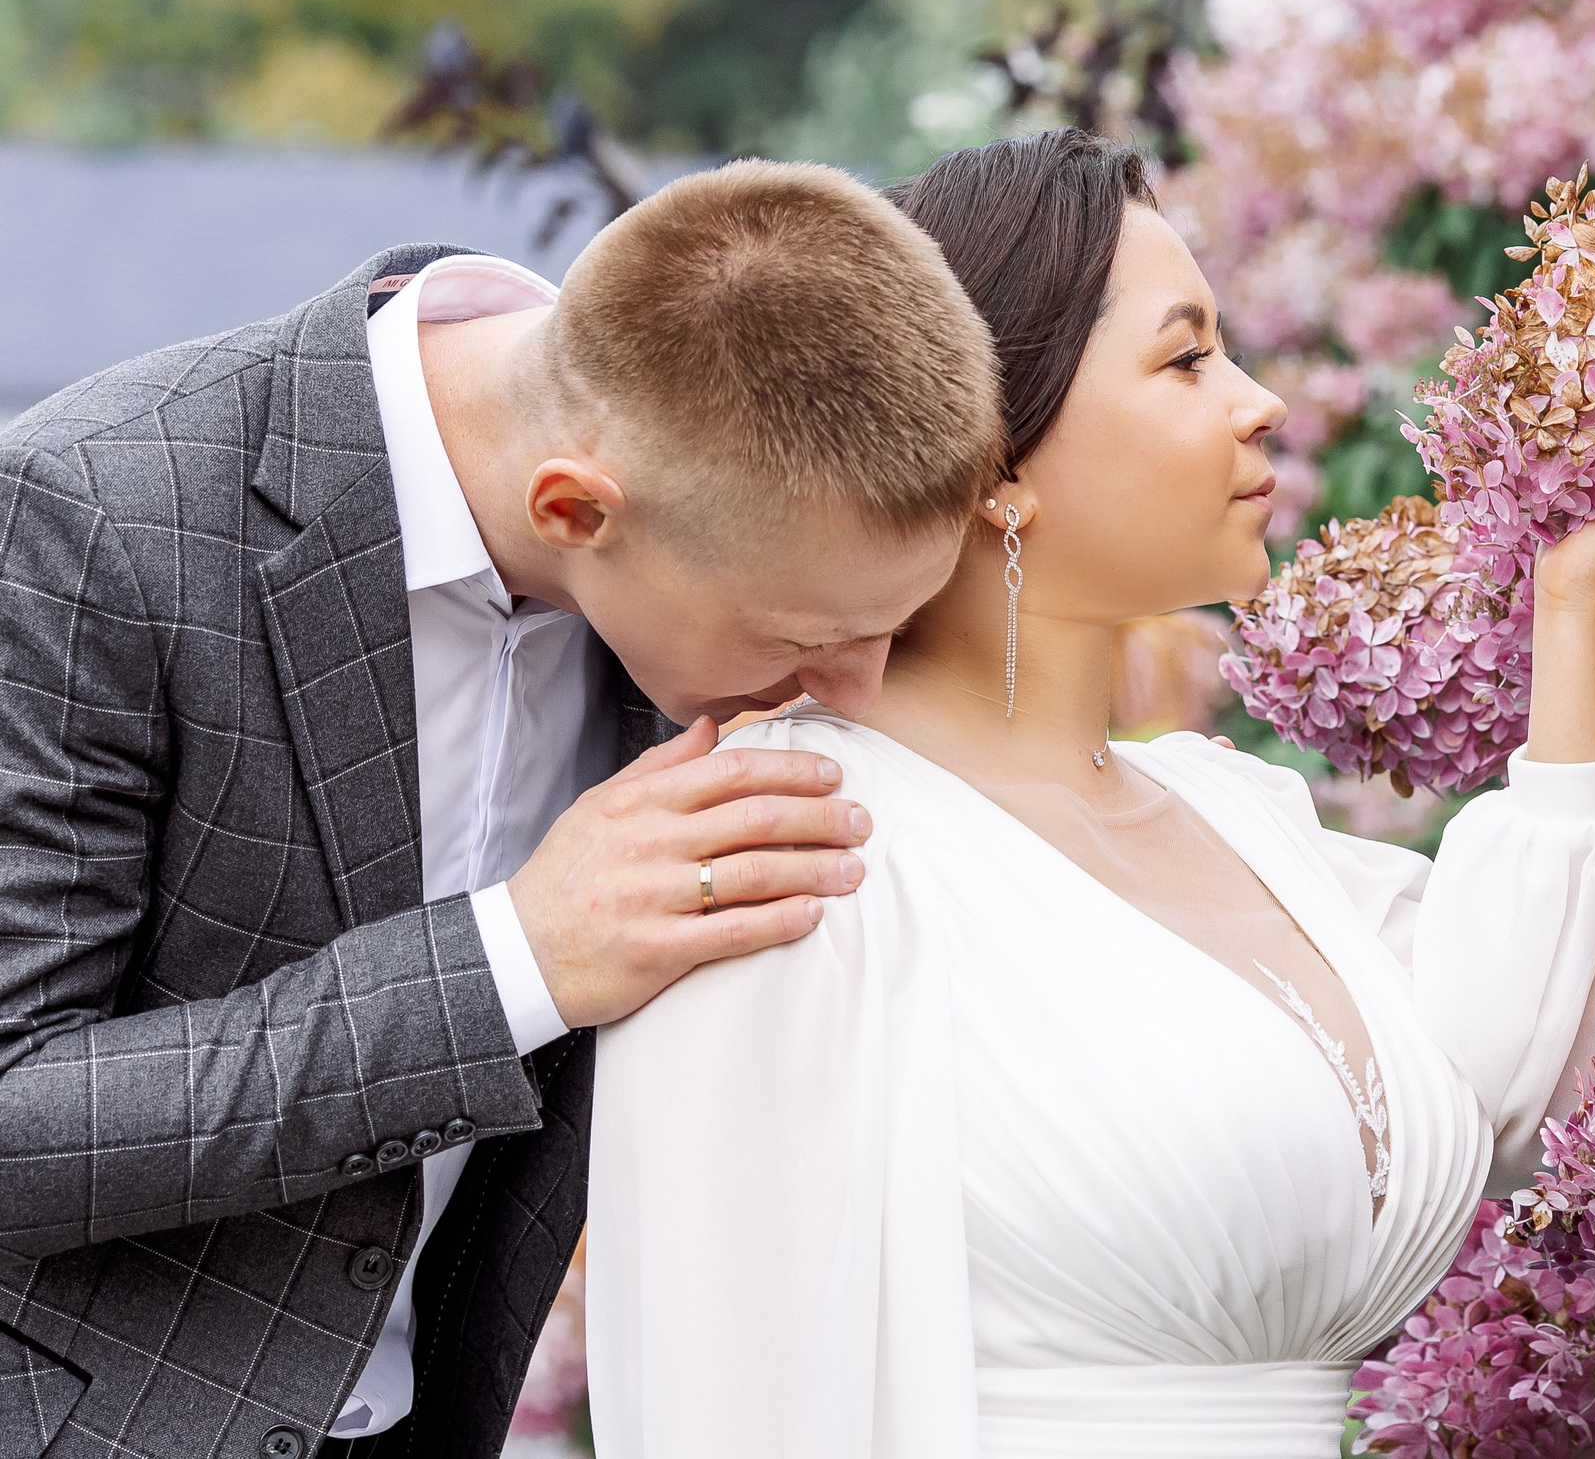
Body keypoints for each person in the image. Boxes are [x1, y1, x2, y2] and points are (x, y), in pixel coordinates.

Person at [584, 130, 1595, 1458]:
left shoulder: (1240, 816)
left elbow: (1553, 1065)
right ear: (995, 464)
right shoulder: (787, 842)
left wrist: (1575, 606)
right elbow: (730, 1400)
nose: (1261, 404)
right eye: (1187, 360)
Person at [0, 162, 1001, 1459]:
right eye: (804, 639)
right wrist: (516, 960)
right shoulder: (87, 516)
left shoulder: (703, 485)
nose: (852, 690)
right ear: (574, 511)